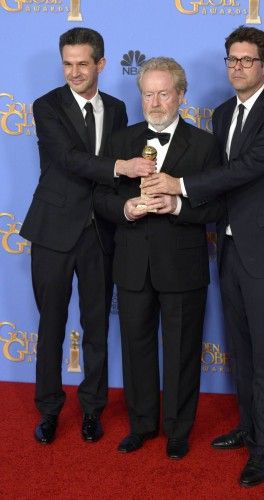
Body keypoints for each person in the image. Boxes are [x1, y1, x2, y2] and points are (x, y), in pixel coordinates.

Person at [141, 27, 264, 485]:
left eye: (247, 60)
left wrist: (178, 185)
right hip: (231, 246)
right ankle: (250, 426)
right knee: (241, 348)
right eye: (232, 60)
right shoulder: (221, 114)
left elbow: (245, 170)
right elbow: (224, 179)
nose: (238, 67)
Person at [20, 27, 155, 445]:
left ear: (100, 63)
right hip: (53, 231)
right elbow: (67, 159)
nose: (74, 72)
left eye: (82, 64)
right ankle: (48, 410)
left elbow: (109, 182)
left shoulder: (115, 109)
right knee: (52, 327)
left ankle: (92, 409)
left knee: (96, 326)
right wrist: (121, 166)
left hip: (100, 232)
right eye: (67, 64)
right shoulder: (46, 106)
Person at [94, 57, 225, 459]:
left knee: (183, 351)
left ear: (181, 96)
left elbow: (219, 207)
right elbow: (101, 198)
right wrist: (127, 209)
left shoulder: (204, 144)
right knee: (136, 348)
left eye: (163, 93)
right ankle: (142, 425)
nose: (154, 102)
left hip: (182, 267)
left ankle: (178, 430)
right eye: (148, 93)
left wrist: (179, 205)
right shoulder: (121, 140)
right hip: (132, 264)